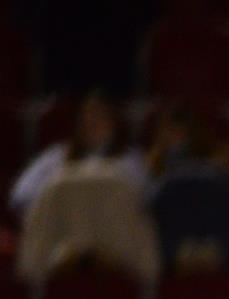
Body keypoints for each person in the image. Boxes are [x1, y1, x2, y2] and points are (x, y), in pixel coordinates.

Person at [12, 91, 157, 281]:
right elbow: (21, 196)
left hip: (116, 250)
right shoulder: (54, 157)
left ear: (114, 121)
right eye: (88, 115)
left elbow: (148, 199)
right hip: (62, 249)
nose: (93, 122)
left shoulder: (130, 160)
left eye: (100, 116)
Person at [146, 103, 229, 273]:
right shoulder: (152, 162)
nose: (177, 137)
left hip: (214, 225)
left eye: (181, 131)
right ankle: (180, 251)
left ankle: (215, 249)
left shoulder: (222, 157)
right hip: (175, 231)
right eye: (171, 131)